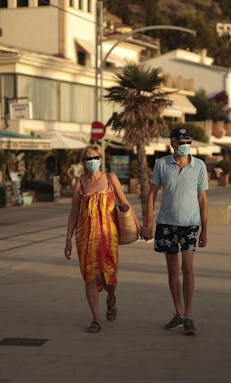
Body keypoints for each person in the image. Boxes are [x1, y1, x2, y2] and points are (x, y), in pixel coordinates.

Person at [64, 145, 139, 333]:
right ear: (83, 162)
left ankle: (111, 298)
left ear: (101, 158)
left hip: (108, 236)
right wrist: (67, 240)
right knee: (89, 277)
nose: (92, 161)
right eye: (88, 159)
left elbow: (125, 203)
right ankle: (96, 319)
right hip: (85, 238)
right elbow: (73, 214)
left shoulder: (110, 179)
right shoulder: (80, 185)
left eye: (95, 157)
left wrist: (139, 227)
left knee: (110, 278)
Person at [142, 127, 209, 336]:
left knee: (187, 268)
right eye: (182, 142)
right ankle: (178, 313)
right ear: (172, 144)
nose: (186, 145)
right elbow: (151, 194)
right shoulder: (162, 164)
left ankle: (189, 316)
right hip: (166, 224)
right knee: (172, 270)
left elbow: (203, 200)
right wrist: (149, 222)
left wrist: (205, 229)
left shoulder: (199, 166)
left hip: (190, 225)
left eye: (188, 141)